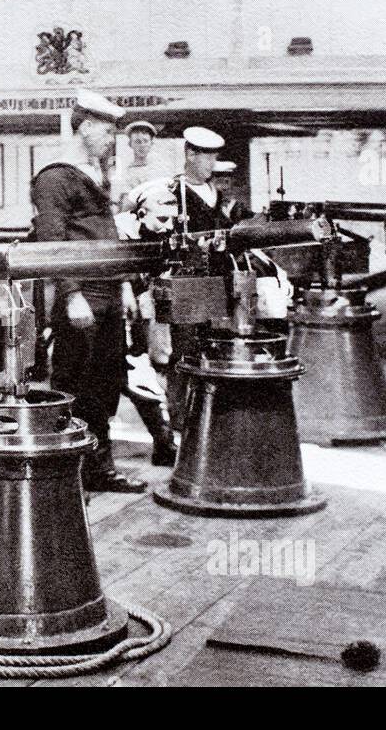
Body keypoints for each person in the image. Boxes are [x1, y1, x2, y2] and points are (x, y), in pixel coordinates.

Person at [31, 89, 146, 494]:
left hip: (109, 295)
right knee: (72, 385)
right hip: (81, 299)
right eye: (105, 130)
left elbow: (109, 237)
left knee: (105, 383)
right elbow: (53, 244)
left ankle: (97, 469)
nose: (111, 138)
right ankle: (62, 475)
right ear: (84, 128)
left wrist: (126, 286)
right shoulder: (55, 177)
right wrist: (71, 294)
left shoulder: (97, 176)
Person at [114, 179, 179, 466]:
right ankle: (163, 441)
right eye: (161, 219)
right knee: (134, 373)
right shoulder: (118, 231)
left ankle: (164, 442)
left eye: (171, 220)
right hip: (108, 313)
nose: (167, 226)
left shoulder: (162, 233)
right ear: (140, 215)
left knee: (142, 372)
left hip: (139, 314)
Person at [173, 126, 239, 233]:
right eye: (208, 158)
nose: (213, 163)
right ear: (191, 155)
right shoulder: (175, 192)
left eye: (215, 158)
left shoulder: (215, 193)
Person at [116, 120, 171, 210]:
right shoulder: (126, 172)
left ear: (151, 143)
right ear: (130, 144)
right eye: (137, 142)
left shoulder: (159, 169)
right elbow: (125, 202)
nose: (142, 145)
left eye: (145, 141)